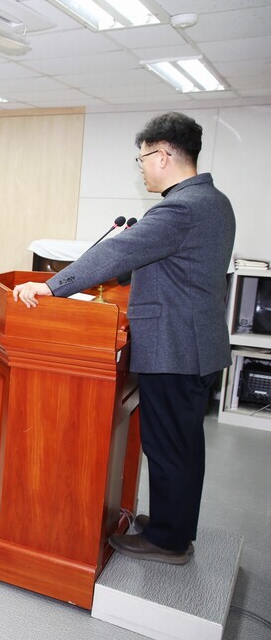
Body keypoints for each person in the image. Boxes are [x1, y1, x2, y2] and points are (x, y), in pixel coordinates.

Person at [13, 112, 235, 566]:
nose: (142, 168)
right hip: (198, 342)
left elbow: (119, 252)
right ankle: (174, 525)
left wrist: (51, 286)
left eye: (143, 159)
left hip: (175, 346)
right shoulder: (215, 201)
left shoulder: (180, 208)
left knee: (168, 445)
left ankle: (169, 541)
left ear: (164, 153)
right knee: (183, 444)